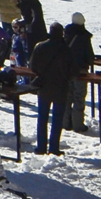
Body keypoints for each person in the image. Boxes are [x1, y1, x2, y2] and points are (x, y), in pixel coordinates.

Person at [29, 23, 75, 155]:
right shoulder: (66, 49)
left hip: (44, 86)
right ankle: (54, 148)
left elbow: (33, 66)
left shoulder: (40, 46)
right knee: (57, 119)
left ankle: (41, 147)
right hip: (61, 87)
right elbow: (73, 71)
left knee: (42, 117)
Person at [63, 13, 98, 134]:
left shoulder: (65, 33)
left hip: (66, 71)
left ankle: (66, 123)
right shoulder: (84, 36)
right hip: (80, 72)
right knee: (78, 97)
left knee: (67, 96)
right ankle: (78, 124)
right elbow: (89, 57)